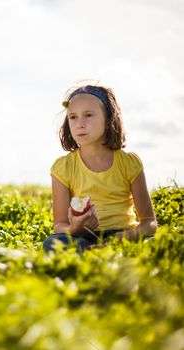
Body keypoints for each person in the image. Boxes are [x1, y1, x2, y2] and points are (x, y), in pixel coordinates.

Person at [43, 84, 157, 252]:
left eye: (88, 115)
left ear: (109, 119)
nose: (79, 124)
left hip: (125, 235)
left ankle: (98, 253)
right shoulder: (63, 167)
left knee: (153, 242)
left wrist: (123, 238)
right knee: (53, 242)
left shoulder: (129, 163)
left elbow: (149, 223)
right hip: (83, 237)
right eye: (73, 117)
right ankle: (95, 252)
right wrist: (75, 228)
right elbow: (59, 225)